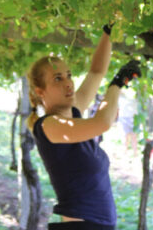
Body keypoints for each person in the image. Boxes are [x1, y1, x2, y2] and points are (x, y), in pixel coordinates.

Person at [26, 25, 142, 230]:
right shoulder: (50, 126)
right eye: (58, 79)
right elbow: (102, 123)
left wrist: (108, 31)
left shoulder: (73, 112)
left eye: (68, 75)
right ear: (40, 91)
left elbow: (96, 72)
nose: (68, 83)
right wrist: (117, 83)